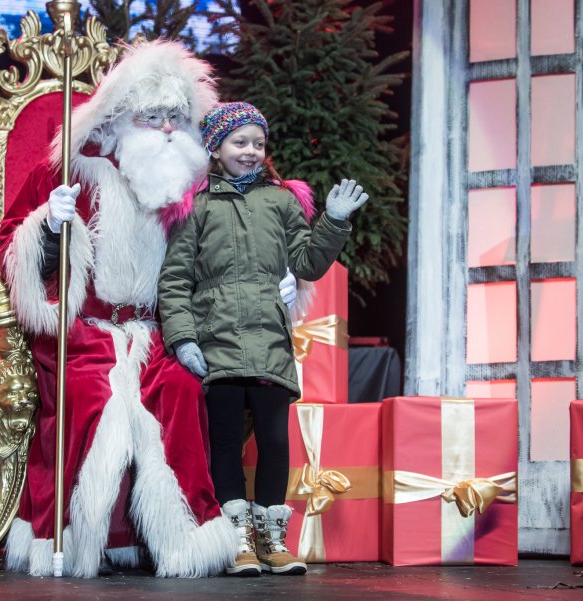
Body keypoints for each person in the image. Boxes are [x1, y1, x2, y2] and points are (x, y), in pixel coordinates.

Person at [0, 40, 252, 578]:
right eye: (152, 116)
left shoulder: (194, 186)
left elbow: (227, 252)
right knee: (88, 396)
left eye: (175, 118)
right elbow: (12, 246)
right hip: (85, 332)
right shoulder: (72, 171)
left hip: (161, 332)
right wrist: (48, 222)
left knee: (181, 391)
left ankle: (181, 543)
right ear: (122, 118)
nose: (164, 129)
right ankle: (79, 538)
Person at [158, 102, 369, 577]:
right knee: (227, 440)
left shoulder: (282, 202)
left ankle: (273, 541)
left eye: (258, 143)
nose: (251, 151)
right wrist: (183, 338)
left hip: (270, 341)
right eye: (240, 142)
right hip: (217, 340)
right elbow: (174, 280)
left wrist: (332, 221)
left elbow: (308, 263)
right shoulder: (197, 207)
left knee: (275, 441)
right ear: (215, 147)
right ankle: (236, 542)